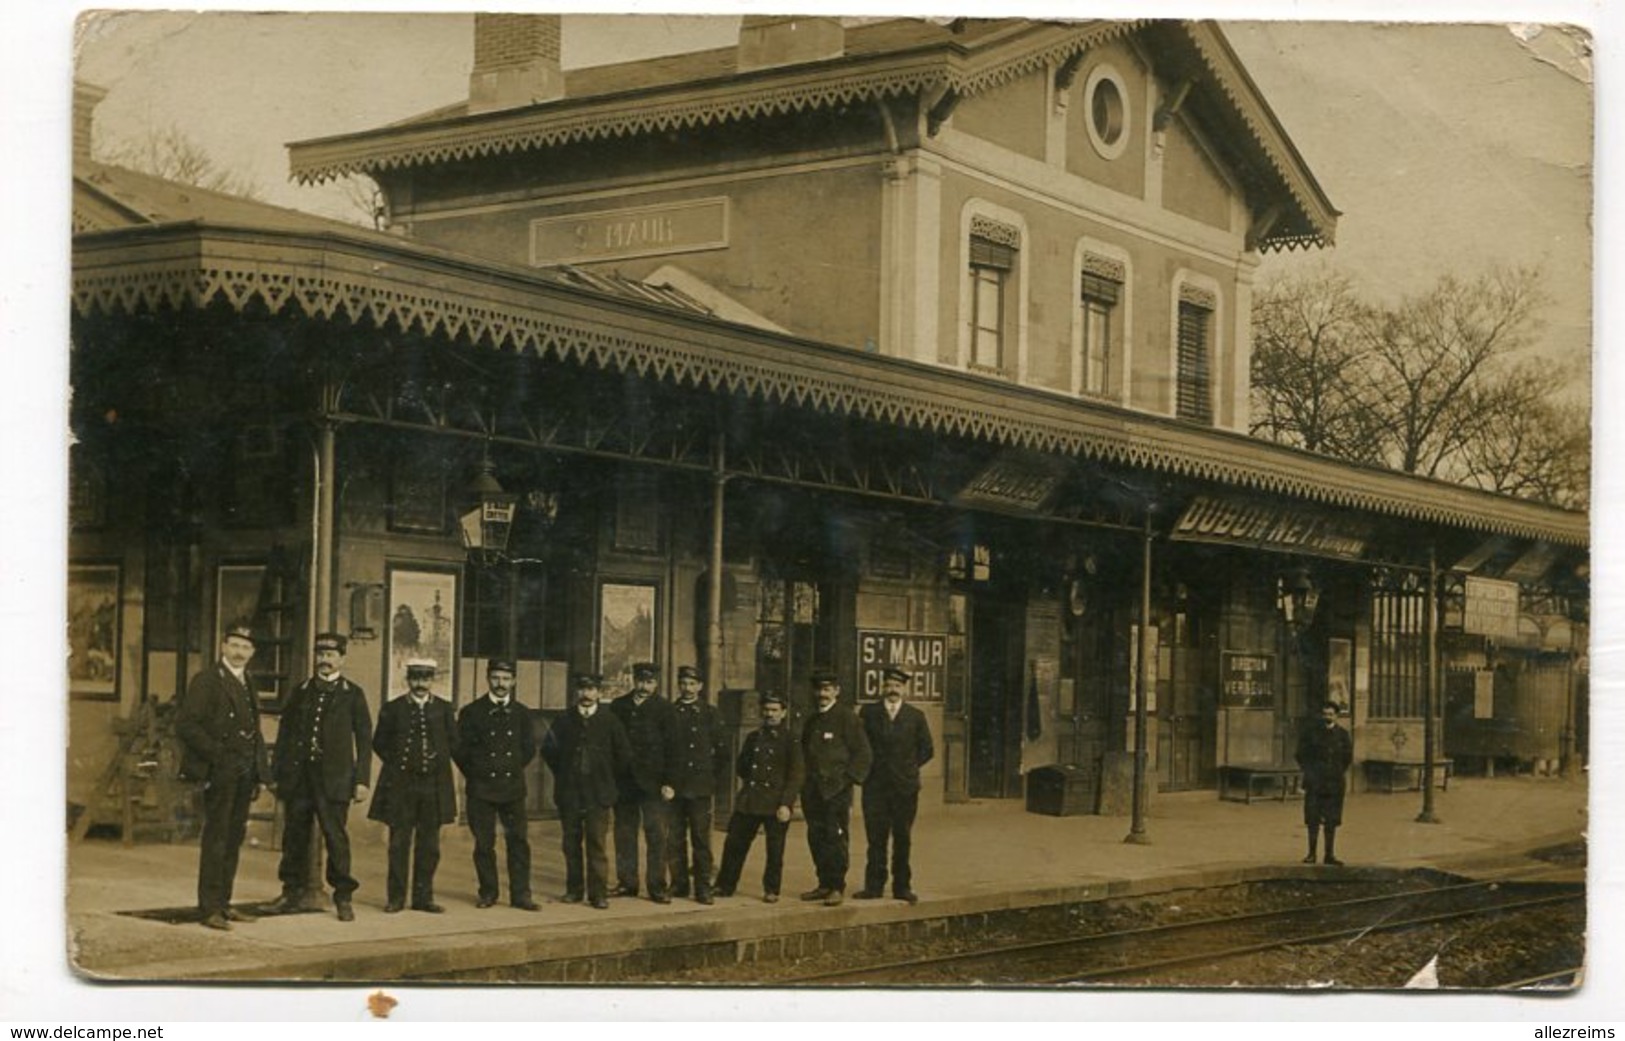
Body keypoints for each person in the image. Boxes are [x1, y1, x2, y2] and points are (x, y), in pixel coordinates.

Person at [268, 632, 373, 922]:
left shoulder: (353, 694)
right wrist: (278, 773)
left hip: (336, 779)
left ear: (342, 658)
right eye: (320, 654)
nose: (324, 660)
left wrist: (362, 780)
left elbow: (365, 741)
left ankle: (342, 896)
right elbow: (285, 734)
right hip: (301, 778)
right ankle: (291, 892)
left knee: (336, 837)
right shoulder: (300, 691)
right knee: (294, 836)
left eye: (330, 655)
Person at [175, 619, 271, 931]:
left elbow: (254, 730)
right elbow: (187, 725)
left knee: (233, 838)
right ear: (223, 647)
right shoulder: (207, 680)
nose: (239, 652)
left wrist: (258, 771)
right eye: (234, 645)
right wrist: (218, 756)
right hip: (220, 772)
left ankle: (225, 903)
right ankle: (209, 908)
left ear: (252, 651)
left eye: (245, 647)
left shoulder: (248, 681)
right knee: (216, 838)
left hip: (243, 773)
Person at [368, 659, 457, 913]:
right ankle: (395, 898)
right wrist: (400, 766)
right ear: (408, 680)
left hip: (434, 787)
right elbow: (379, 743)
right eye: (416, 678)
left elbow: (454, 741)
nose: (420, 684)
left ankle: (423, 898)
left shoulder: (443, 708)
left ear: (432, 681)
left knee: (430, 845)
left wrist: (435, 759)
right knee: (399, 843)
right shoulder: (393, 708)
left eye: (425, 679)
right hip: (401, 786)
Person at [541, 673, 632, 909]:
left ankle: (598, 893)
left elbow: (623, 756)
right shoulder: (564, 720)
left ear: (599, 693)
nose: (586, 694)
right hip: (569, 793)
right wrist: (564, 774)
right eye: (582, 689)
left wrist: (605, 778)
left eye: (591, 689)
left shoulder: (610, 721)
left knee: (597, 844)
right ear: (576, 692)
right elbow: (549, 751)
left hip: (598, 794)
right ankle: (574, 890)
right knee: (571, 844)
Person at [455, 658, 539, 911]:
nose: (500, 683)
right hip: (481, 788)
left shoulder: (522, 713)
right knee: (484, 844)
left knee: (519, 843)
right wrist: (478, 773)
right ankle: (488, 892)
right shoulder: (472, 712)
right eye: (495, 678)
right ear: (488, 679)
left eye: (505, 678)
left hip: (512, 788)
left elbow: (528, 749)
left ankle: (521, 895)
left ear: (513, 681)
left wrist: (510, 770)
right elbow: (459, 750)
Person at [714, 690, 804, 904]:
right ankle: (725, 885)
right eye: (766, 710)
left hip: (776, 802)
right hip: (750, 799)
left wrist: (786, 803)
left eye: (774, 710)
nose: (770, 714)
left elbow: (796, 774)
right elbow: (743, 766)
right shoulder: (754, 737)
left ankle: (772, 889)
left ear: (783, 712)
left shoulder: (791, 739)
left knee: (774, 850)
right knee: (734, 843)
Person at [855, 665, 935, 904]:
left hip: (905, 788)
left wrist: (907, 769)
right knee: (875, 838)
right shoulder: (868, 713)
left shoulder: (915, 716)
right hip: (875, 787)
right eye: (889, 685)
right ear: (882, 687)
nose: (892, 690)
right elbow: (860, 746)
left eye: (897, 686)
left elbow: (927, 750)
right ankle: (874, 886)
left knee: (902, 837)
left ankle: (902, 887)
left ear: (904, 689)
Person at [799, 669, 872, 906]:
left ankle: (837, 886)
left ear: (836, 691)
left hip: (836, 791)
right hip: (813, 790)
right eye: (819, 689)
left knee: (835, 836)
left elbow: (863, 754)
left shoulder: (847, 718)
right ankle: (823, 884)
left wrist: (847, 781)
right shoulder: (811, 720)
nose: (822, 694)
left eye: (827, 689)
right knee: (816, 836)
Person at [609, 661, 677, 903]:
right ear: (632, 680)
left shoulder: (665, 709)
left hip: (654, 784)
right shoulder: (618, 706)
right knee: (624, 834)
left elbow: (673, 748)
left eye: (649, 682)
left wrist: (669, 782)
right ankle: (627, 883)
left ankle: (657, 886)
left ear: (656, 683)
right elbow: (611, 745)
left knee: (656, 834)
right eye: (640, 681)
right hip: (624, 782)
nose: (643, 687)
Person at [665, 664, 731, 904]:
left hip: (700, 787)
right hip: (674, 787)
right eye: (683, 683)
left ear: (700, 686)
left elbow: (723, 752)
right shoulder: (670, 712)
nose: (687, 688)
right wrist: (666, 782)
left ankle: (703, 886)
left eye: (692, 684)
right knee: (674, 837)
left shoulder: (710, 714)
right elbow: (663, 752)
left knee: (701, 839)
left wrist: (711, 778)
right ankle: (679, 883)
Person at [1296, 699, 1354, 866]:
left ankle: (1329, 854)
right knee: (1312, 819)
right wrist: (1310, 771)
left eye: (1330, 714)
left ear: (1337, 716)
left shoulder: (1343, 735)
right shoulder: (1311, 733)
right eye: (1324, 714)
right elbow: (1300, 754)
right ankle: (1311, 854)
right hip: (1314, 783)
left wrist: (1335, 772)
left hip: (1334, 784)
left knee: (1331, 820)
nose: (1327, 717)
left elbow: (1347, 758)